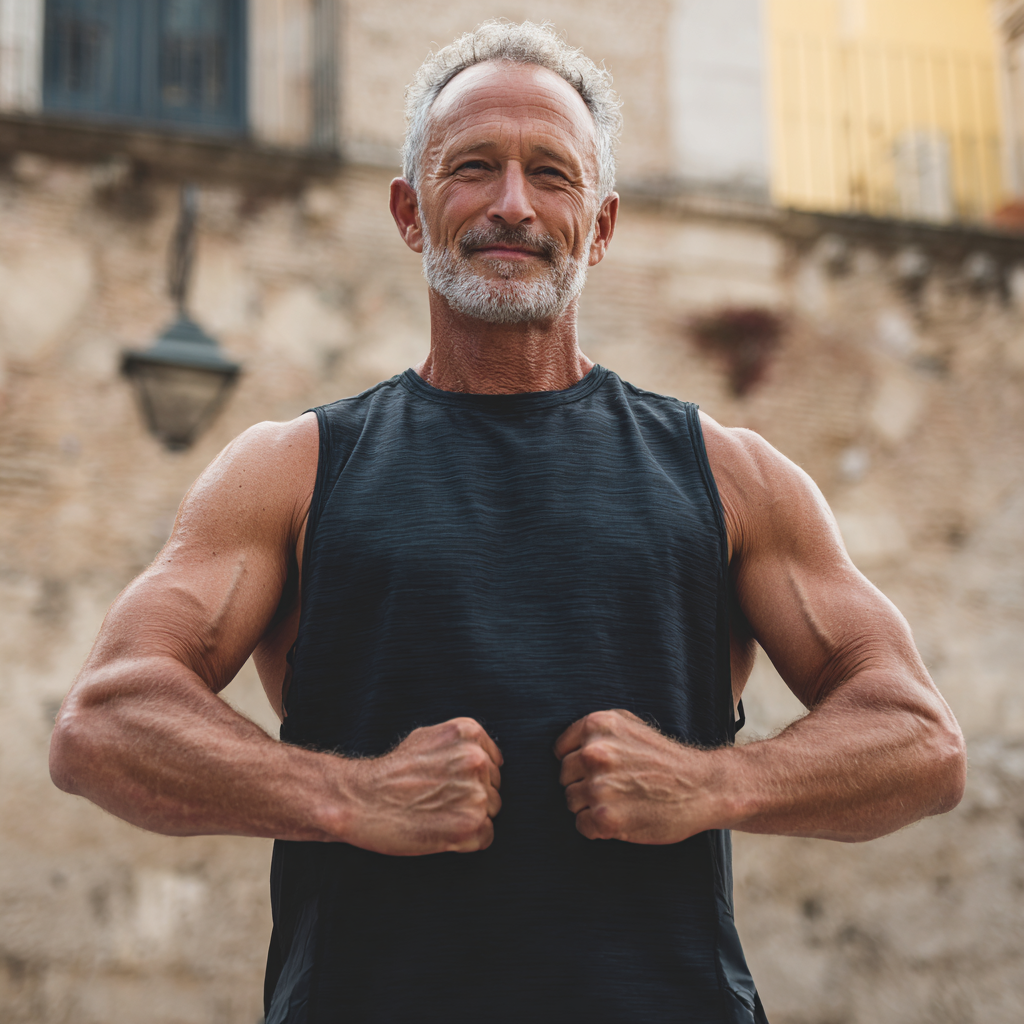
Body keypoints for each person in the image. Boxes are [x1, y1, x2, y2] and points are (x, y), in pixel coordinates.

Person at [50, 20, 966, 1024]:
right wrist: (349, 798)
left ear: (601, 225)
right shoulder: (294, 470)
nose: (512, 205)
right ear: (410, 211)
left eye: (552, 175)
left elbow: (918, 740)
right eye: (473, 167)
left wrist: (713, 784)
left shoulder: (725, 473)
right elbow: (105, 722)